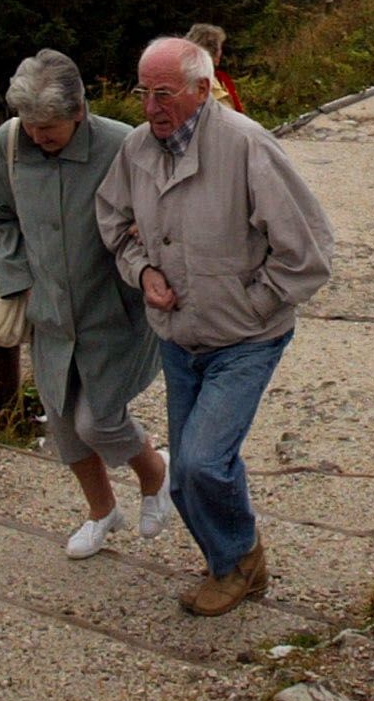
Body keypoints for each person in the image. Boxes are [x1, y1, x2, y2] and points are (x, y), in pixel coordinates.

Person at [95, 38, 334, 618]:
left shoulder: (248, 146)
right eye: (144, 93)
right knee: (187, 478)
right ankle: (232, 558)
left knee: (201, 462)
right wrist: (144, 269)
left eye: (164, 93)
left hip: (247, 339)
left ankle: (236, 562)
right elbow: (115, 220)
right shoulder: (135, 149)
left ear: (203, 90)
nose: (152, 106)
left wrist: (252, 305)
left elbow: (309, 251)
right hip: (179, 336)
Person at [0, 51, 168, 559]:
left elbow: (161, 212)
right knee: (65, 426)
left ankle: (156, 477)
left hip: (115, 310)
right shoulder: (7, 146)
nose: (37, 136)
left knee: (98, 421)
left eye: (50, 127)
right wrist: (15, 279)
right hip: (49, 315)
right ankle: (102, 513)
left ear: (80, 110)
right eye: (30, 124)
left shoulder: (123, 144)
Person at [185, 22, 245, 112]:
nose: (221, 53)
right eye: (220, 48)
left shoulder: (181, 75)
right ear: (212, 52)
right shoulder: (205, 81)